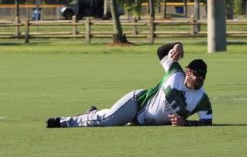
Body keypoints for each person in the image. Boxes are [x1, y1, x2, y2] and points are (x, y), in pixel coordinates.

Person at [46, 42, 213, 128]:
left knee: (108, 118)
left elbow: (207, 122)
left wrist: (186, 124)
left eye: (203, 76)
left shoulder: (201, 99)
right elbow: (161, 52)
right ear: (188, 72)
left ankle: (93, 113)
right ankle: (63, 122)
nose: (201, 79)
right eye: (197, 74)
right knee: (107, 121)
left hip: (142, 122)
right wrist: (178, 45)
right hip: (137, 103)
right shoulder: (175, 72)